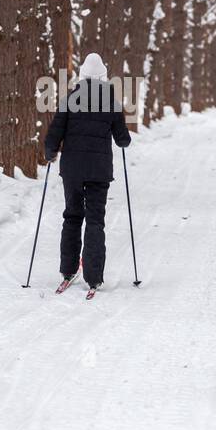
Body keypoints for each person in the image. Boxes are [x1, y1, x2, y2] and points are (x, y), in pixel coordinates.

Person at [44, 52, 132, 292]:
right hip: (99, 171)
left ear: (82, 76)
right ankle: (93, 276)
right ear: (103, 77)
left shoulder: (70, 99)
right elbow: (122, 138)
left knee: (72, 215)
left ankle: (68, 269)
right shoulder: (111, 103)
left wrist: (50, 151)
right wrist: (124, 141)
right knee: (95, 219)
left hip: (72, 169)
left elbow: (54, 132)